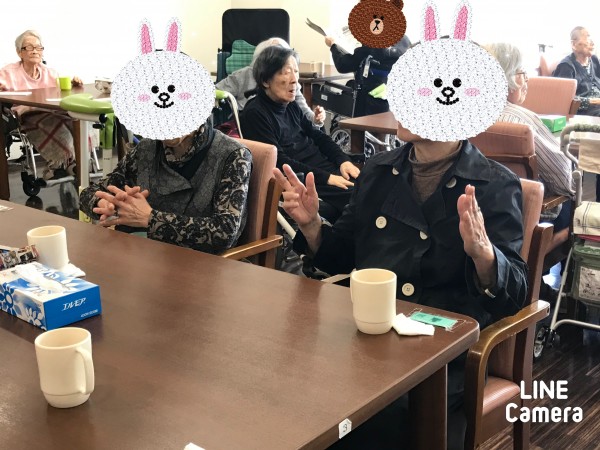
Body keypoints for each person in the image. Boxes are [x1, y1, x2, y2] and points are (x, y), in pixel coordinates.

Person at [273, 119, 528, 448]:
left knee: (380, 414)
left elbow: (514, 294)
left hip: (442, 349)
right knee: (293, 380)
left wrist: (484, 254)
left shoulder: (494, 184)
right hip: (370, 332)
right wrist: (311, 225)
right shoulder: (378, 170)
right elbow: (343, 255)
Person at [79, 121, 252, 254]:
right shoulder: (146, 148)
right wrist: (107, 203)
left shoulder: (233, 155)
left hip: (199, 266)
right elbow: (88, 194)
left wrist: (150, 218)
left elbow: (225, 232)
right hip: (142, 256)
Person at [241, 45, 360, 223]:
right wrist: (326, 178)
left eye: (295, 71)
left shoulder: (290, 105)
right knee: (360, 200)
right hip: (303, 181)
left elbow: (318, 136)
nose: (294, 79)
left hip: (323, 171)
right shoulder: (255, 113)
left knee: (373, 184)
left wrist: (343, 160)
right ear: (265, 80)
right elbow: (278, 162)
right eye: (286, 72)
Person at [485, 42, 575, 230]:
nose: (527, 80)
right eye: (522, 73)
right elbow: (563, 181)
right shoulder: (523, 121)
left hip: (476, 210)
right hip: (526, 216)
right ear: (506, 77)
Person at [0, 30, 83, 180]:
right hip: (25, 115)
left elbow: (60, 93)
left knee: (75, 120)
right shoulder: (8, 73)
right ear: (19, 52)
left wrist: (73, 85)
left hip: (51, 111)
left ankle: (74, 162)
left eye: (38, 47)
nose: (35, 51)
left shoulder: (49, 72)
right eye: (29, 47)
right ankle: (60, 164)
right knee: (55, 124)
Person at [216, 37, 325, 127]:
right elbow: (214, 91)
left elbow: (305, 112)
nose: (293, 79)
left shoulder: (291, 82)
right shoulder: (243, 75)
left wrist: (316, 118)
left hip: (283, 124)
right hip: (251, 124)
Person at [553, 26, 600, 201]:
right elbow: (564, 97)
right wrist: (594, 101)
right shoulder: (567, 66)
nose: (592, 42)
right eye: (587, 38)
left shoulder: (594, 60)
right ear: (574, 45)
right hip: (584, 112)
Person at [325, 35, 411, 116]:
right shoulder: (404, 40)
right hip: (397, 99)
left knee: (364, 124)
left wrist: (333, 46)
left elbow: (344, 65)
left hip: (371, 99)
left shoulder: (373, 43)